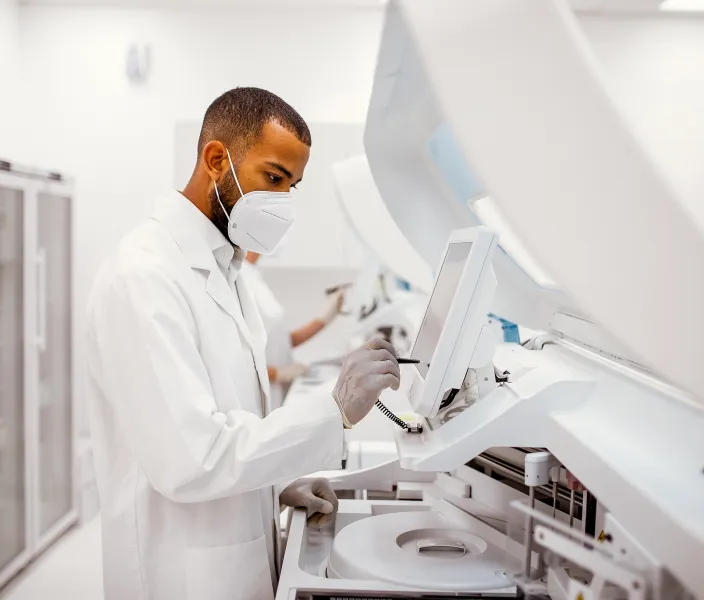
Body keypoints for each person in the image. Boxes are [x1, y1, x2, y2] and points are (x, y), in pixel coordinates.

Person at [85, 87, 401, 600]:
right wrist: (334, 410)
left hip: (227, 556)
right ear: (216, 159)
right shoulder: (143, 276)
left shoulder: (227, 270)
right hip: (178, 576)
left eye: (292, 186)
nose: (282, 202)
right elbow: (192, 460)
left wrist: (277, 486)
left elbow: (232, 421)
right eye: (273, 178)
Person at [241, 251, 345, 410]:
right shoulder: (235, 279)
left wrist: (324, 319)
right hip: (256, 397)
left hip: (275, 394)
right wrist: (277, 373)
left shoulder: (251, 275)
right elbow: (232, 356)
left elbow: (277, 339)